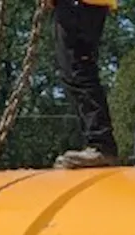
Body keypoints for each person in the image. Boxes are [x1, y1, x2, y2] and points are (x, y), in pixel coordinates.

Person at [49, 0, 120, 169]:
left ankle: (101, 144)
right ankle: (97, 142)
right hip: (80, 5)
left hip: (80, 5)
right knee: (73, 70)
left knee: (78, 69)